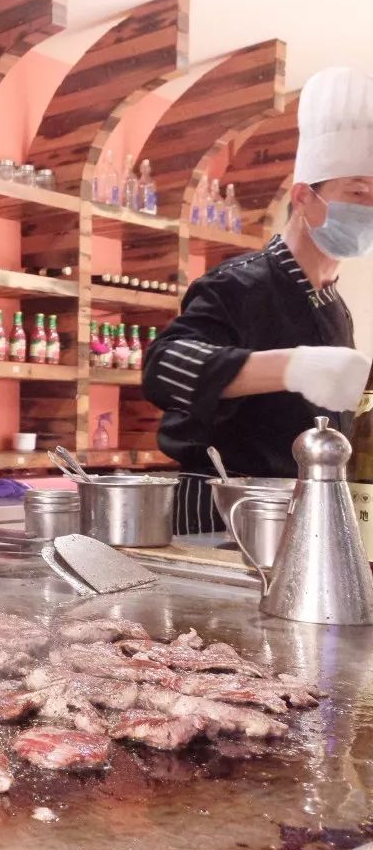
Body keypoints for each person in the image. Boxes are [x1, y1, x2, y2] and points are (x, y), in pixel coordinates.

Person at [143, 66, 373, 534]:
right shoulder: (240, 284)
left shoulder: (332, 303)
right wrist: (293, 367)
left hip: (300, 517)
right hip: (220, 519)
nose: (370, 209)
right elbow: (164, 367)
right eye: (358, 192)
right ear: (305, 197)